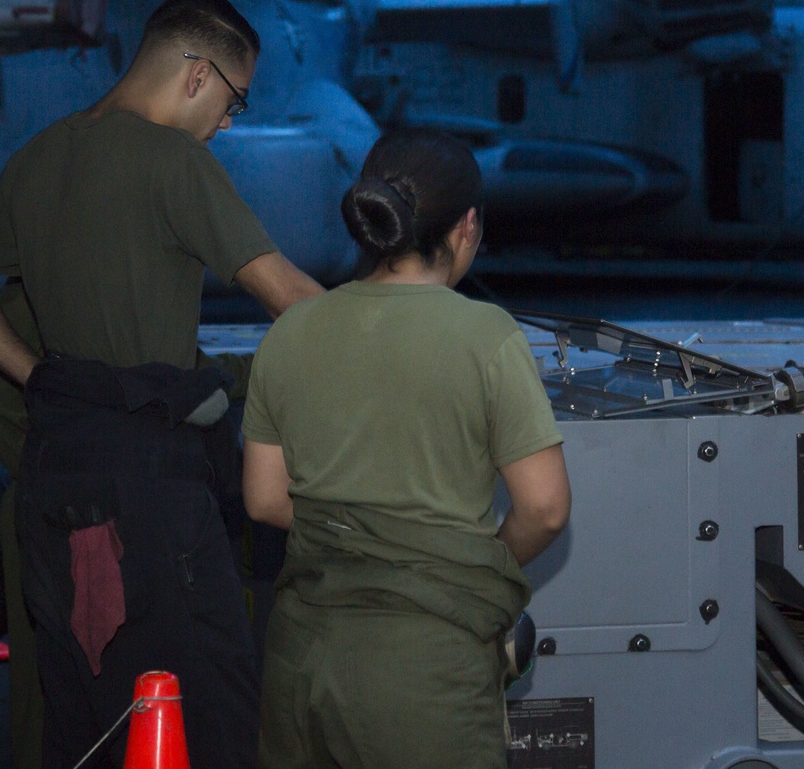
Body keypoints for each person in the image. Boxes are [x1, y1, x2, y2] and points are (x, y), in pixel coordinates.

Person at [0, 0, 324, 769]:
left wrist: (42, 375)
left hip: (54, 486)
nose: (228, 125)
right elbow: (290, 300)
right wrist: (403, 321)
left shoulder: (40, 155)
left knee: (94, 720)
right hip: (151, 499)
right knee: (208, 714)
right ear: (198, 75)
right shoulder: (172, 159)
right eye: (235, 102)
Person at [242, 129, 571, 769]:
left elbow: (262, 498)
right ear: (466, 227)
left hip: (301, 657)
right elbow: (546, 509)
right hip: (424, 669)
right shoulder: (487, 336)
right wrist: (473, 563)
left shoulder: (291, 333)